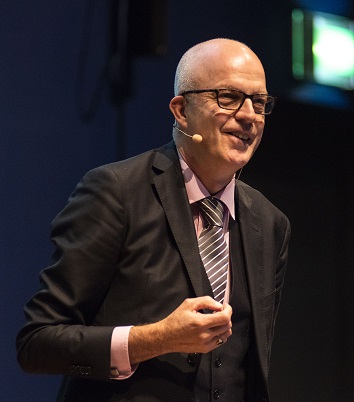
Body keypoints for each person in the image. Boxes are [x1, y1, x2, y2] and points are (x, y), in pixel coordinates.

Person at [16, 38, 290, 402]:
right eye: (228, 97)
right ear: (181, 110)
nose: (249, 115)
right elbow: (37, 343)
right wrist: (156, 339)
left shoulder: (270, 223)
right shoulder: (116, 192)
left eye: (259, 102)